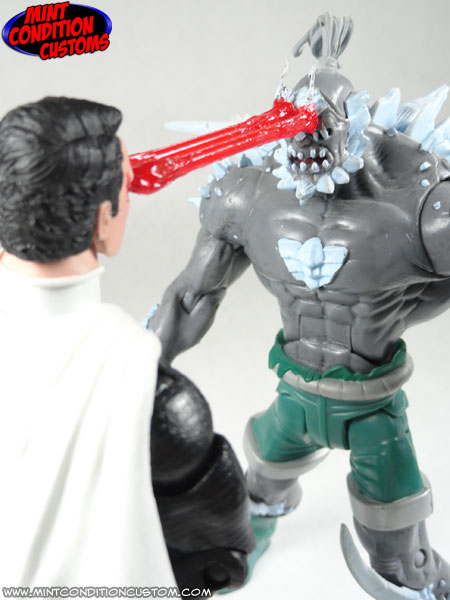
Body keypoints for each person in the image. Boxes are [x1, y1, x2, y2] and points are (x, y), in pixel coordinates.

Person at [148, 14, 450, 600]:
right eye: (294, 126)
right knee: (254, 494)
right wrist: (143, 368)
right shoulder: (247, 198)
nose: (306, 140)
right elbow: (191, 294)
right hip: (293, 398)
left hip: (373, 412)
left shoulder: (415, 213)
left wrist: (412, 306)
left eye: (322, 125)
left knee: (400, 557)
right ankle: (254, 531)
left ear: (351, 127)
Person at [0, 97, 253, 591]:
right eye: (128, 189)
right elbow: (216, 555)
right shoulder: (157, 396)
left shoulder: (129, 369)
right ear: (103, 220)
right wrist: (148, 367)